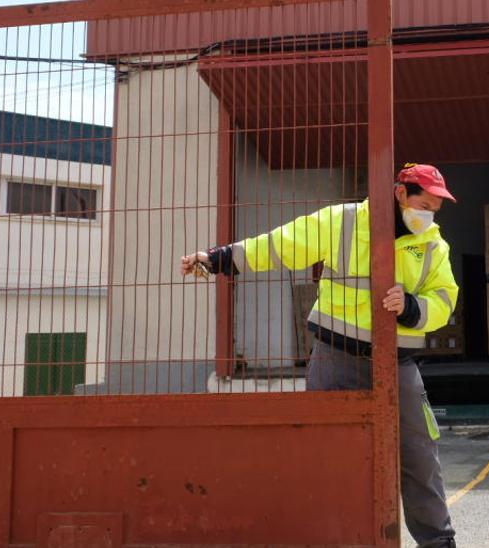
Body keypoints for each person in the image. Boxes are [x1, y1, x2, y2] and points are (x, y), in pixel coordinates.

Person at [180, 163, 459, 548]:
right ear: (399, 194)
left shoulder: (433, 245)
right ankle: (333, 538)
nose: (428, 215)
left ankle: (438, 542)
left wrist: (413, 307)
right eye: (423, 204)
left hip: (397, 364)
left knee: (419, 456)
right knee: (328, 457)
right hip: (334, 358)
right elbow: (282, 243)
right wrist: (220, 258)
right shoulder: (342, 222)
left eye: (434, 209)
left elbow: (444, 299)